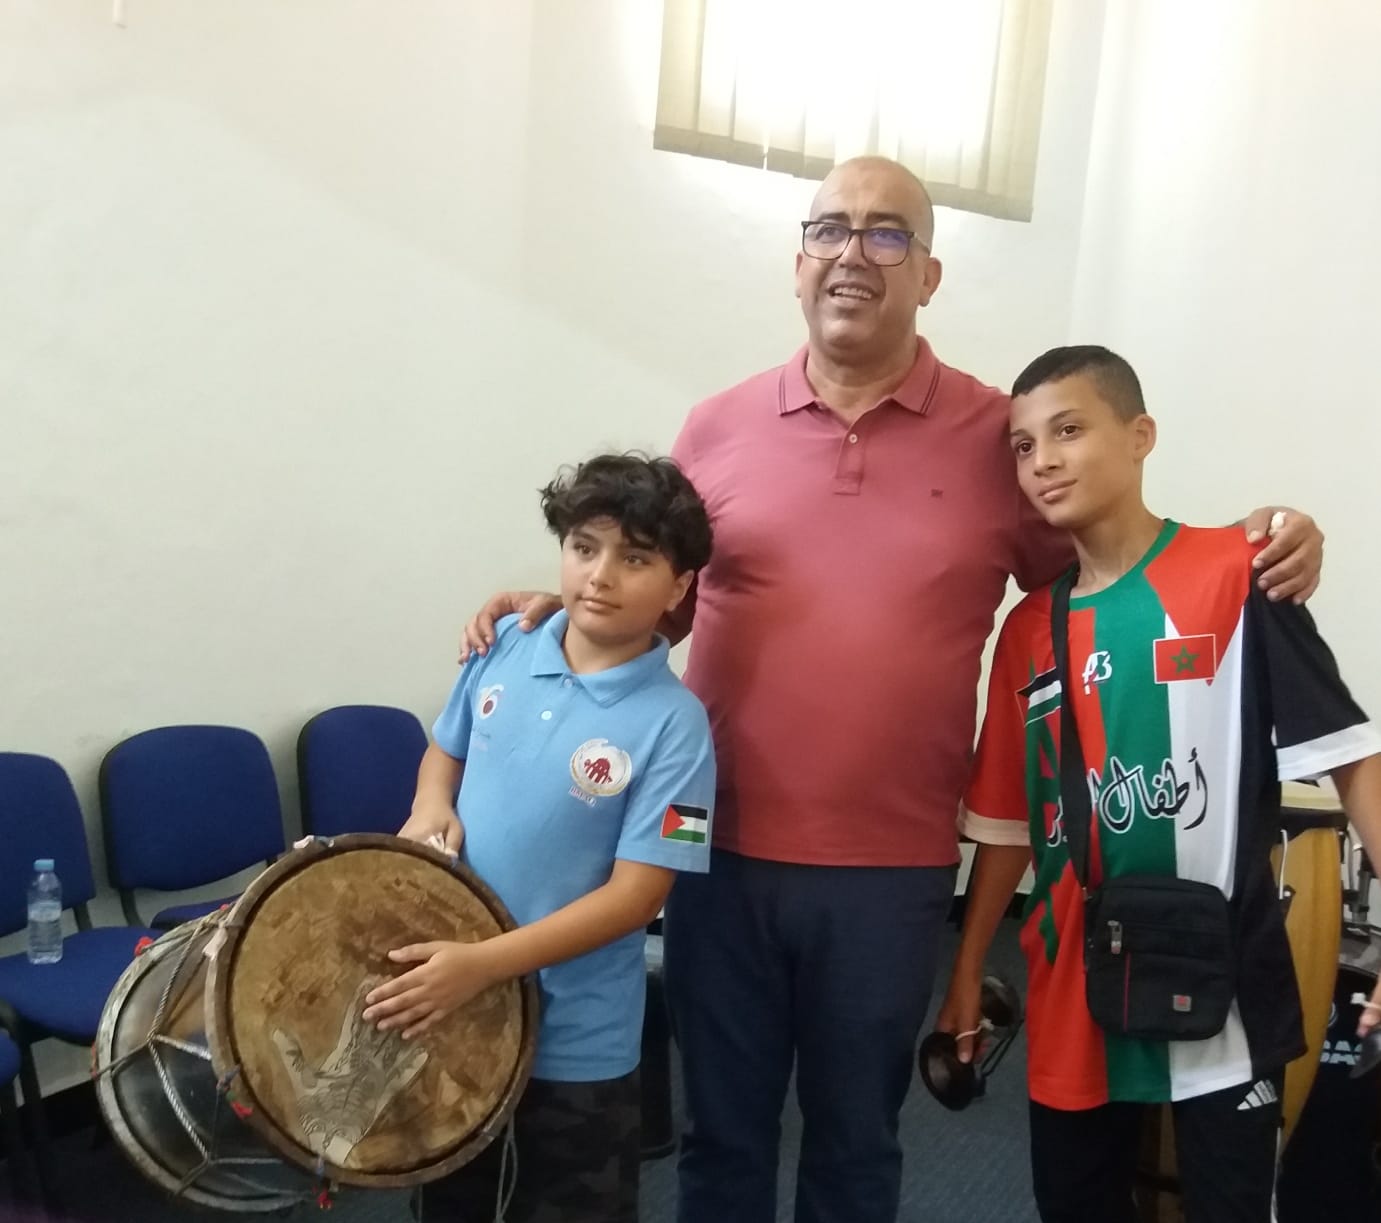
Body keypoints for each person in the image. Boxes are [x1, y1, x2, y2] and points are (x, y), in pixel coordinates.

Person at [457, 158, 1325, 1223]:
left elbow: (1111, 567)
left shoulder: (997, 437)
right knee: (719, 1137)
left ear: (928, 273)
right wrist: (558, 609)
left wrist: (1258, 544)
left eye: (885, 234)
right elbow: (658, 594)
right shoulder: (716, 425)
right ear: (797, 262)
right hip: (715, 850)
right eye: (829, 229)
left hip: (891, 871)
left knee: (856, 1144)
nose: (852, 254)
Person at [935, 345, 1381, 1223]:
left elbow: (1351, 756)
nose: (1043, 460)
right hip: (1070, 984)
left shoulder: (1239, 573)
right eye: (1022, 446)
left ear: (1139, 435)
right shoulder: (1026, 630)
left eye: (1068, 430)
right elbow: (1010, 826)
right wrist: (965, 970)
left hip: (1221, 978)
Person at [364, 453, 716, 1223]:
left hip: (575, 1045)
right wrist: (429, 803)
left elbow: (636, 898)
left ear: (679, 586)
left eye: (635, 558)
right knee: (451, 1205)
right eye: (584, 547)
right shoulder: (504, 644)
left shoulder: (678, 726)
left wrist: (482, 965)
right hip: (455, 1017)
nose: (600, 575)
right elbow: (445, 749)